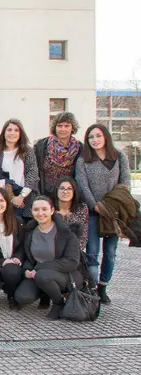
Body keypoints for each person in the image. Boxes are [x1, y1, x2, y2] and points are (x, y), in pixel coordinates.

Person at [75, 123, 131, 303]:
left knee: (111, 251)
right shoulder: (84, 160)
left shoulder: (119, 156)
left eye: (98, 136)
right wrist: (95, 205)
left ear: (105, 136)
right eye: (91, 137)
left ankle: (103, 286)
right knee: (92, 252)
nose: (95, 140)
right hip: (93, 212)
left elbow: (125, 183)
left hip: (114, 213)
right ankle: (92, 284)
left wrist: (110, 206)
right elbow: (82, 185)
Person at [13, 196, 81, 319]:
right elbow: (29, 257)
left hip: (64, 275)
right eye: (36, 210)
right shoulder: (30, 232)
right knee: (22, 297)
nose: (40, 213)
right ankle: (45, 294)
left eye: (44, 209)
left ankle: (58, 303)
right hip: (37, 274)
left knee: (43, 276)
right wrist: (26, 270)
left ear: (52, 210)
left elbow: (72, 262)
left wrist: (39, 268)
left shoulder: (66, 233)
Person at [0, 119, 39, 219]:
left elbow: (32, 174)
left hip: (26, 198)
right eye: (9, 130)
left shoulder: (27, 151)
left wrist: (21, 196)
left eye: (16, 130)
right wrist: (11, 198)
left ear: (20, 134)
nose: (12, 133)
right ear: (4, 132)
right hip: (4, 199)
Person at [34, 112, 82, 200]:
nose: (63, 129)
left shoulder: (80, 148)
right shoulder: (41, 145)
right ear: (55, 128)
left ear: (72, 128)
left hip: (67, 195)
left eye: (66, 126)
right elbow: (34, 171)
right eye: (59, 126)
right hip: (44, 193)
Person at [54, 176, 89, 251]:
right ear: (56, 190)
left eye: (69, 189)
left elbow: (83, 236)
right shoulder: (49, 209)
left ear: (74, 191)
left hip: (74, 251)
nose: (65, 191)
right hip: (52, 251)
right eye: (62, 188)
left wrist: (72, 251)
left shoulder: (82, 208)